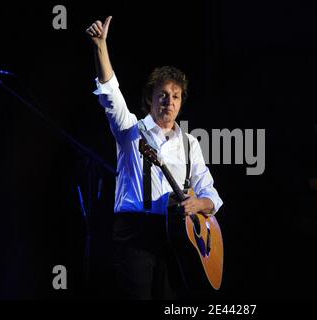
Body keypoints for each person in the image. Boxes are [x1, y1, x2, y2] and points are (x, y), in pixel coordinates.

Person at [85, 16, 223, 299]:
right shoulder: (130, 131)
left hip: (176, 237)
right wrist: (101, 46)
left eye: (175, 96)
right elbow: (111, 94)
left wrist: (200, 203)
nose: (169, 102)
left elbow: (212, 194)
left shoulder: (190, 143)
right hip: (135, 234)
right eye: (162, 95)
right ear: (150, 99)